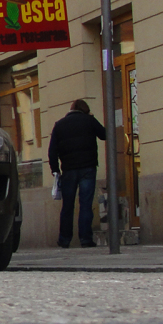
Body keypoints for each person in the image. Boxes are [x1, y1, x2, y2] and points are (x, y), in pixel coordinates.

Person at [47, 99, 107, 248]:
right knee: (85, 204)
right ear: (85, 110)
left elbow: (52, 150)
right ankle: (86, 239)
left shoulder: (59, 125)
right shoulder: (89, 121)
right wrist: (91, 118)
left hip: (68, 170)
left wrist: (55, 170)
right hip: (88, 168)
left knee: (67, 206)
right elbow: (104, 134)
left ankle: (64, 239)